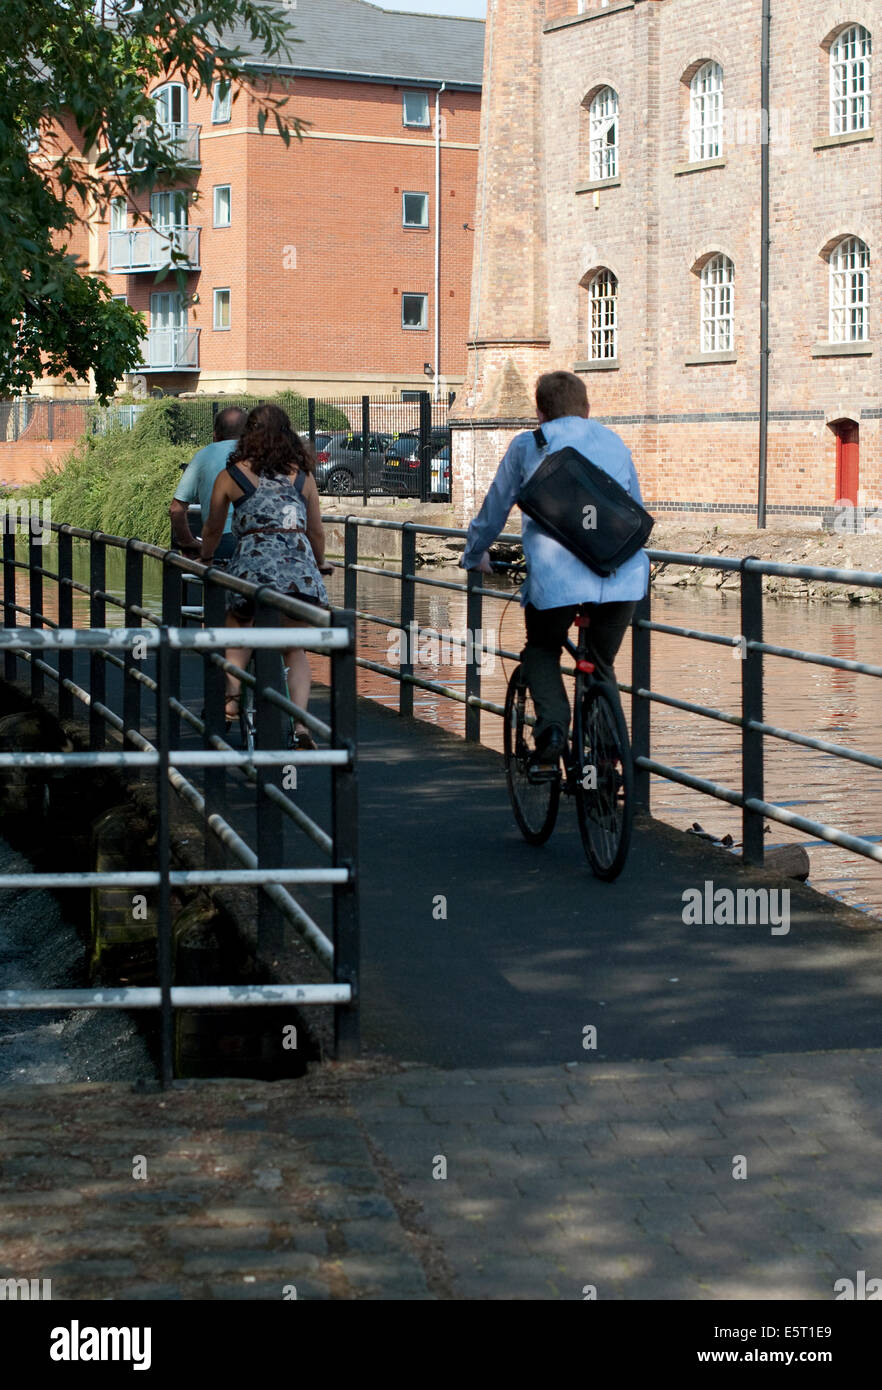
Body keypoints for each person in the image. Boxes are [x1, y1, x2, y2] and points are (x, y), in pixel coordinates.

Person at [461, 370, 649, 770]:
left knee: (542, 648)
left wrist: (475, 554)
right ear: (586, 407)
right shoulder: (614, 442)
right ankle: (607, 759)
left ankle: (551, 729)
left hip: (556, 580)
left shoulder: (528, 446)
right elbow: (634, 507)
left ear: (540, 411)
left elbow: (494, 509)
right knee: (600, 663)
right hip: (621, 575)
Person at [199, 403, 329, 750]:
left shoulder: (231, 475)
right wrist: (320, 562)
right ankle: (301, 724)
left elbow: (212, 527)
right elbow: (315, 531)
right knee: (294, 648)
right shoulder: (303, 476)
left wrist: (206, 557)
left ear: (247, 435)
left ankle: (230, 701)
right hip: (298, 574)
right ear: (288, 435)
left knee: (238, 628)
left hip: (252, 570)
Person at [169, 406, 246, 562]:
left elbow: (176, 510)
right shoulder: (260, 454)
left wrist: (187, 542)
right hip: (259, 541)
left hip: (221, 541)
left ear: (215, 436)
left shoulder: (204, 456)